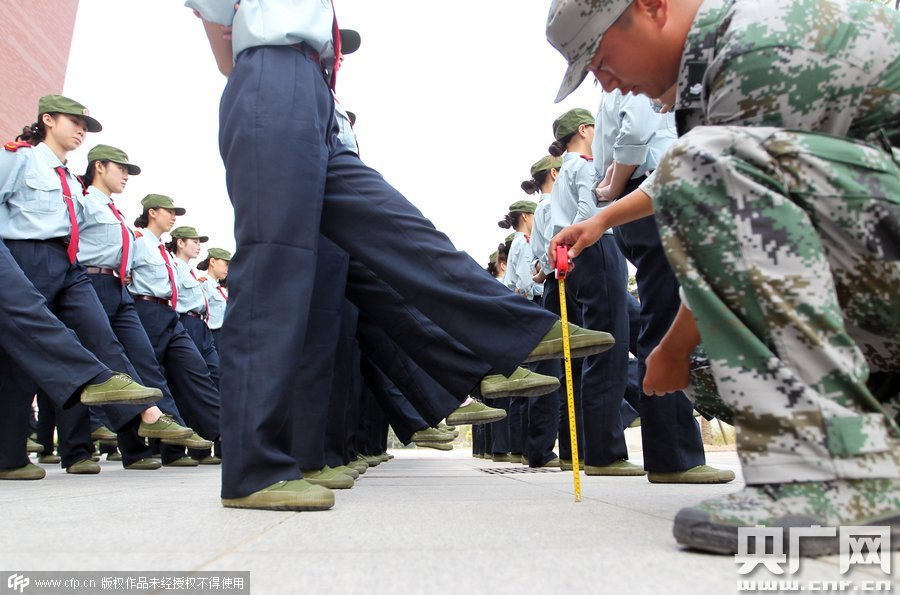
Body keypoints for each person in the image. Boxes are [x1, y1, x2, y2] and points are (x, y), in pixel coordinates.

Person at [187, 0, 615, 511]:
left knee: (397, 227)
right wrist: (260, 65)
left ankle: (520, 328)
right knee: (274, 270)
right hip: (270, 74)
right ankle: (252, 470)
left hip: (313, 95)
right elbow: (217, 23)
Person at [546, 0, 899, 555]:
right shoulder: (729, 53)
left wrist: (676, 345)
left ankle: (831, 479)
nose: (605, 81)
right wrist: (601, 222)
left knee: (699, 356)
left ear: (652, 8)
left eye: (600, 56)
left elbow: (730, 204)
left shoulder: (763, 48)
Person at [0, 95, 165, 479]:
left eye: (84, 126)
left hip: (68, 263)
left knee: (100, 335)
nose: (80, 131)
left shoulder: (71, 181)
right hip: (27, 255)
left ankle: (132, 405)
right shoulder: (19, 158)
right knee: (22, 356)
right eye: (73, 122)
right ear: (47, 120)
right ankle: (10, 455)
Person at [80, 144, 200, 470]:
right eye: (121, 169)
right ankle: (116, 446)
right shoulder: (82, 201)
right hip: (90, 284)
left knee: (142, 365)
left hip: (118, 290)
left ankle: (156, 426)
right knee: (106, 365)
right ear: (100, 167)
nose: (125, 176)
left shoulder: (114, 212)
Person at [129, 194, 220, 467]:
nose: (173, 216)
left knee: (197, 372)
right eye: (168, 211)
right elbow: (124, 271)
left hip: (170, 315)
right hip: (146, 311)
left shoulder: (162, 253)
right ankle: (138, 451)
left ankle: (226, 435)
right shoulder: (137, 240)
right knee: (148, 379)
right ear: (152, 213)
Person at [196, 247, 231, 350]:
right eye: (226, 264)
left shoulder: (220, 289)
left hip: (224, 335)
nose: (227, 269)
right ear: (212, 261)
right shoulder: (203, 284)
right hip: (212, 334)